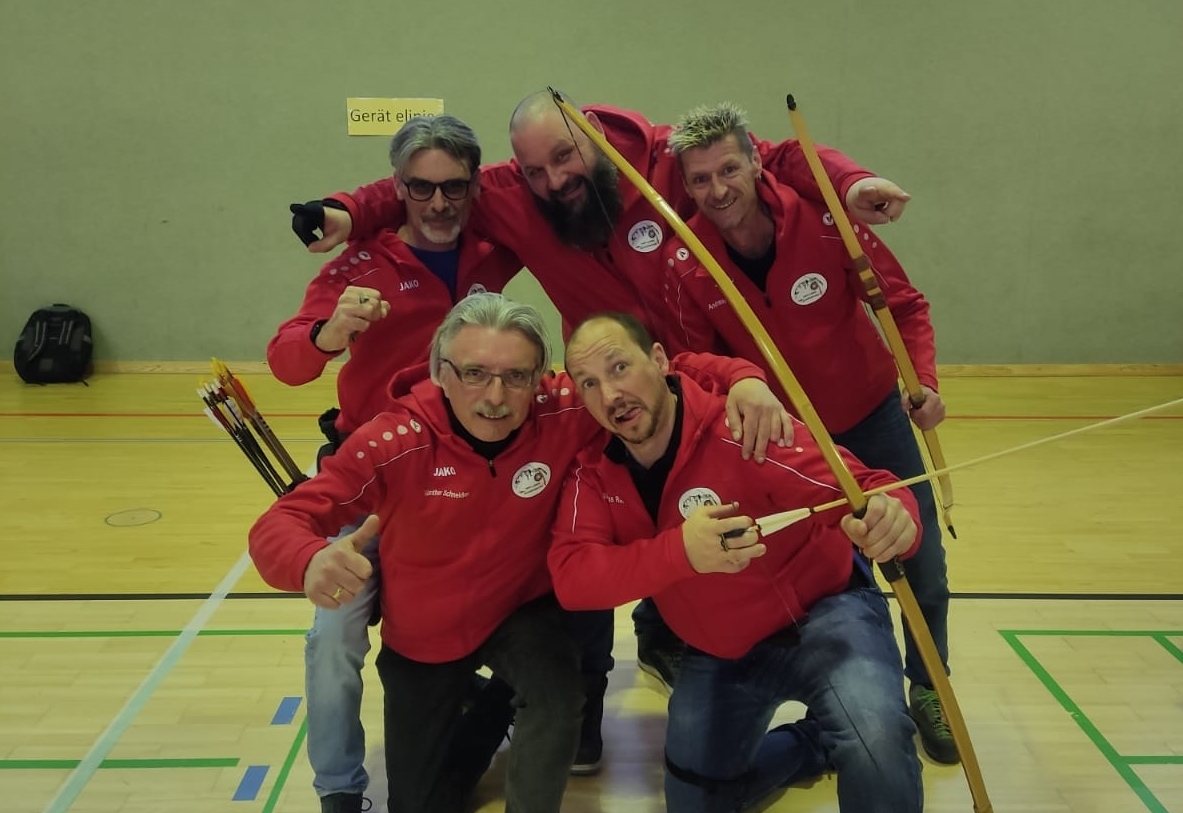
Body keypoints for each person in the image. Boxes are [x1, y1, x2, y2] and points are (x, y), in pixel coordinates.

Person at [289, 90, 910, 693]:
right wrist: (345, 210)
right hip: (613, 393)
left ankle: (867, 654)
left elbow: (770, 157)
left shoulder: (667, 161)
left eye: (564, 156)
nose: (554, 179)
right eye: (535, 169)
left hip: (706, 384)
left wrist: (851, 182)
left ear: (591, 131)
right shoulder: (506, 196)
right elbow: (424, 190)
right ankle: (607, 681)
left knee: (818, 520)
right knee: (610, 516)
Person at [251, 292, 797, 813]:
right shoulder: (392, 441)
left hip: (522, 612)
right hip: (427, 631)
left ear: (538, 379)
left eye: (515, 377)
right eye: (473, 374)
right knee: (423, 803)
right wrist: (307, 560)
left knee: (558, 703)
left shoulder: (565, 407)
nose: (494, 396)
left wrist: (744, 378)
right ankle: (491, 708)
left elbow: (661, 371)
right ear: (442, 372)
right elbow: (282, 521)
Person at [658, 101, 957, 764]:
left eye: (727, 169)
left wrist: (925, 381)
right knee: (821, 571)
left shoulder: (826, 220)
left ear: (755, 160)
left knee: (919, 558)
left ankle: (928, 683)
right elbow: (688, 362)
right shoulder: (684, 262)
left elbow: (902, 304)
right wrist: (739, 379)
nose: (716, 190)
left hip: (873, 413)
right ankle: (841, 694)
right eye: (700, 179)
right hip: (788, 439)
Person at [548, 312, 924, 813]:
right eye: (589, 383)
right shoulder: (591, 471)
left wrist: (898, 518)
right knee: (694, 802)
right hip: (719, 650)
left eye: (620, 368)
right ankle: (814, 744)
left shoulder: (744, 429)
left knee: (876, 740)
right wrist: (682, 552)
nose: (610, 395)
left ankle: (844, 736)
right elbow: (574, 580)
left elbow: (870, 488)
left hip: (827, 617)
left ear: (659, 361)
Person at [267, 115, 526, 813]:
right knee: (333, 635)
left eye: (453, 188)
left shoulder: (496, 244)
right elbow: (285, 361)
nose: (437, 204)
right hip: (375, 477)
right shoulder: (354, 268)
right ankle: (340, 790)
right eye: (419, 188)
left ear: (473, 185)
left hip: (470, 471)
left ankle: (513, 701)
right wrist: (327, 334)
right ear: (397, 186)